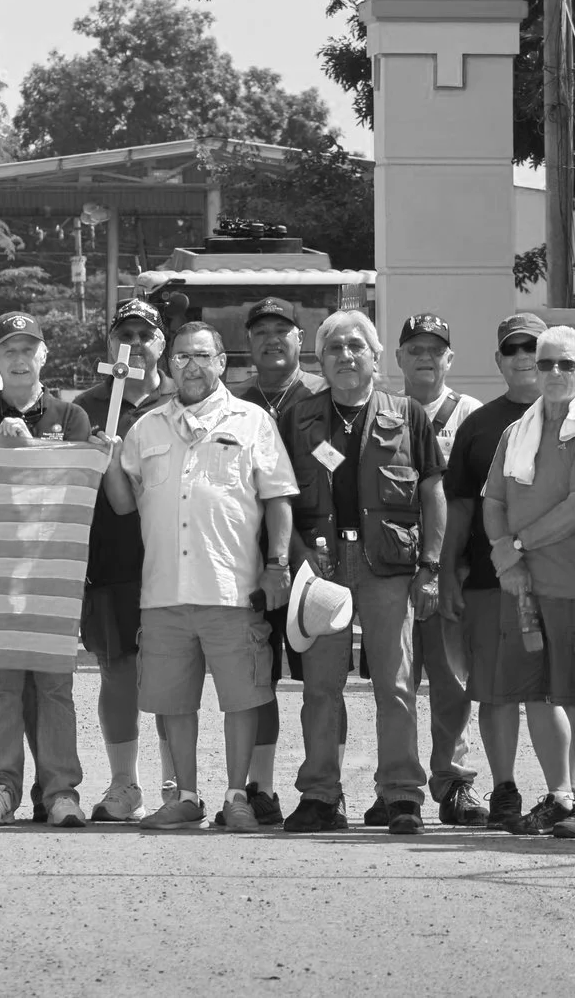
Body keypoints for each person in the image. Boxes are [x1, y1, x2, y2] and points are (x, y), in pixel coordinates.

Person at [103, 322, 297, 833]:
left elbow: (278, 498)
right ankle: (186, 796)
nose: (192, 365)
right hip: (163, 590)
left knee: (243, 698)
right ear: (169, 366)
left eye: (202, 356)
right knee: (172, 702)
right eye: (183, 357)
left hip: (232, 589)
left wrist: (277, 565)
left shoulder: (253, 421)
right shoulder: (145, 428)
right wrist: (106, 460)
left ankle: (236, 796)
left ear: (221, 364)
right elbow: (124, 504)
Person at [279, 310, 448, 835]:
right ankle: (321, 796)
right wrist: (297, 553)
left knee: (394, 685)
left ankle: (400, 795)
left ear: (376, 358)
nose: (346, 356)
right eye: (334, 348)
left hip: (389, 566)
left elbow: (432, 494)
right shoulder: (299, 417)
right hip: (322, 568)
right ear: (320, 360)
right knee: (320, 688)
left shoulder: (408, 414)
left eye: (357, 347)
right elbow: (280, 495)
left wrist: (430, 568)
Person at [482, 323, 575, 838]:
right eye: (545, 364)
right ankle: (560, 795)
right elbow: (493, 499)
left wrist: (515, 546)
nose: (554, 373)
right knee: (535, 694)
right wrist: (507, 560)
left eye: (566, 364)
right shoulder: (517, 431)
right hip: (520, 585)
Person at [0, 312, 92, 827]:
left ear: (44, 356)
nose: (19, 359)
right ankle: (0, 786)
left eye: (27, 349)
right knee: (1, 687)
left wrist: (34, 450)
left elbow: (77, 494)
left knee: (56, 688)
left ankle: (60, 790)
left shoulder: (73, 416)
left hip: (54, 574)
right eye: (8, 350)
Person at [437, 313, 545, 828]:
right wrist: (445, 574)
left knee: (553, 691)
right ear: (498, 360)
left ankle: (563, 795)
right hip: (486, 579)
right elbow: (457, 507)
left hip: (560, 581)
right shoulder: (479, 425)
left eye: (534, 347)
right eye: (514, 348)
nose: (524, 356)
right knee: (496, 692)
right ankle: (505, 790)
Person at [73, 297, 168, 823]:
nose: (134, 341)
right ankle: (124, 784)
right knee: (117, 671)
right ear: (111, 343)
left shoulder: (182, 401)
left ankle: (178, 787)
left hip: (172, 559)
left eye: (144, 332)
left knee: (173, 673)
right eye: (124, 333)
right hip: (109, 559)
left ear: (161, 342)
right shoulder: (85, 406)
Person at [229, 296, 323, 819]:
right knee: (256, 678)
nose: (272, 339)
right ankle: (260, 788)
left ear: (299, 339)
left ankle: (321, 789)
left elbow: (337, 473)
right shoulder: (233, 405)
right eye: (261, 331)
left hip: (314, 564)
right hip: (247, 563)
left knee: (320, 680)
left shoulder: (323, 399)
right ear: (248, 342)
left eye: (282, 330)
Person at [396, 313, 486, 827]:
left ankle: (454, 782)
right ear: (399, 357)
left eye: (436, 349)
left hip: (453, 568)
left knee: (453, 681)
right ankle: (401, 786)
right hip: (392, 568)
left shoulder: (469, 414)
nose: (425, 357)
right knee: (398, 683)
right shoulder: (383, 410)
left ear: (450, 358)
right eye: (415, 348)